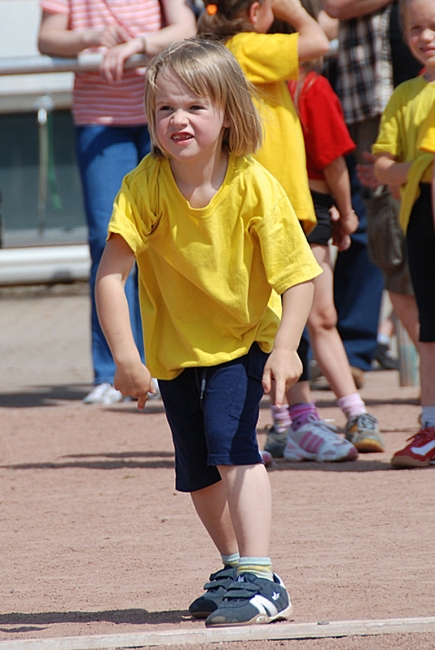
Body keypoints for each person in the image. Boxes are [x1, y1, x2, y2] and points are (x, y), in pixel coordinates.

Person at [95, 39, 322, 625]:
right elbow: (110, 278)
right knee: (196, 469)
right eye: (166, 109)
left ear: (228, 114)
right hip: (174, 352)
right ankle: (233, 567)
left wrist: (286, 347)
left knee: (233, 450)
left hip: (244, 340)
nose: (179, 120)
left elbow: (299, 277)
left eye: (195, 107)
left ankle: (264, 578)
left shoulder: (254, 185)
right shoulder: (143, 185)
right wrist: (125, 357)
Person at [37, 0, 197, 404]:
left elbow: (186, 27)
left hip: (162, 118)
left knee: (169, 242)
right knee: (108, 241)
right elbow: (47, 37)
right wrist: (92, 38)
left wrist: (137, 44)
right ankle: (113, 371)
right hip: (100, 122)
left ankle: (166, 363)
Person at [276, 0, 384, 461]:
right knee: (319, 316)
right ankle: (344, 413)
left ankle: (296, 418)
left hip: (293, 211)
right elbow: (335, 161)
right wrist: (347, 210)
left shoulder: (252, 85)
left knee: (297, 320)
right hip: (309, 211)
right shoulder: (311, 87)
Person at [322, 0, 420, 379]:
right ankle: (357, 351)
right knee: (384, 235)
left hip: (419, 94)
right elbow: (334, 5)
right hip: (374, 101)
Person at [198, 0, 329, 235]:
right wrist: (296, 12)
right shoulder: (246, 47)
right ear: (255, 11)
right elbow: (318, 42)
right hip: (273, 194)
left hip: (258, 195)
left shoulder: (229, 48)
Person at [372, 0, 435, 468]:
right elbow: (381, 165)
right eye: (415, 27)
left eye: (434, 26)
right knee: (430, 325)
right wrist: (419, 169)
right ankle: (431, 424)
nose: (425, 36)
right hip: (421, 220)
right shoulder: (404, 94)